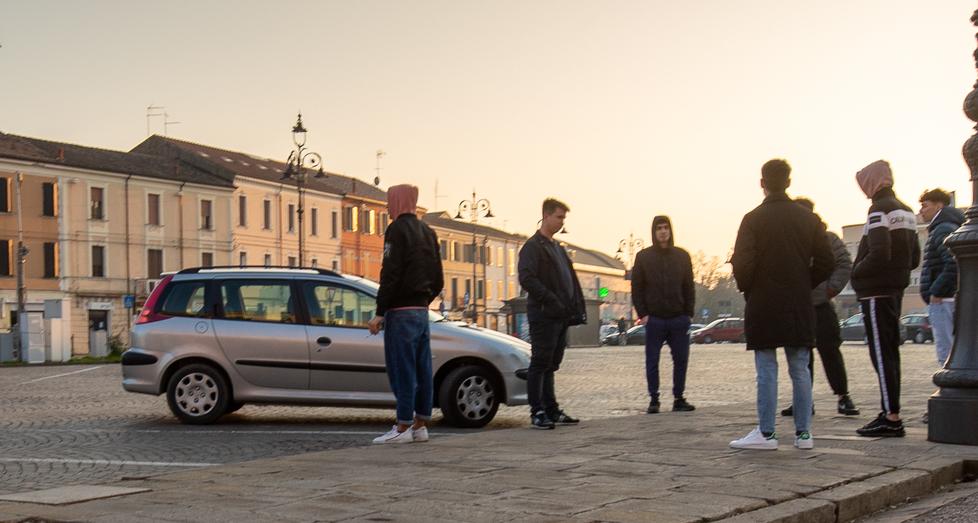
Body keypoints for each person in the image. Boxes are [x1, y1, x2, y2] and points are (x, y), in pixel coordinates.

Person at [729, 159, 834, 451]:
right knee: (800, 367)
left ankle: (766, 433)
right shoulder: (808, 219)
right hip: (798, 302)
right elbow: (827, 261)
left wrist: (750, 288)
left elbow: (742, 262)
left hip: (763, 301)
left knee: (767, 366)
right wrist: (805, 281)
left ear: (762, 183)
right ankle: (803, 434)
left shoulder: (752, 219)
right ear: (789, 182)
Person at [368, 184, 444, 444]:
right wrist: (423, 299)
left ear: (398, 202)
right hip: (422, 311)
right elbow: (438, 278)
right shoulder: (428, 231)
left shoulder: (396, 230)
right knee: (423, 369)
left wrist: (380, 312)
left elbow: (389, 273)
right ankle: (420, 425)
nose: (388, 207)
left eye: (390, 202)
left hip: (400, 312)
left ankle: (402, 427)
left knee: (402, 369)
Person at [851, 160, 920, 438]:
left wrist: (856, 273)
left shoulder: (878, 209)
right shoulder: (906, 210)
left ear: (872, 183)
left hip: (876, 290)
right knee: (891, 353)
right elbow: (914, 257)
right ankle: (889, 411)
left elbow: (879, 252)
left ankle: (891, 416)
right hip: (895, 288)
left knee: (880, 352)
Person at [780, 198, 860, 418]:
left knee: (830, 351)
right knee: (801, 355)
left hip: (821, 304)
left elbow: (844, 265)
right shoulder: (788, 240)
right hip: (796, 306)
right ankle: (804, 400)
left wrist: (830, 289)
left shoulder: (829, 239)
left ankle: (843, 396)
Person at [518, 198, 587, 430]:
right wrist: (550, 298)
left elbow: (569, 280)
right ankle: (536, 411)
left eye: (563, 218)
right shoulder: (532, 247)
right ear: (546, 216)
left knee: (552, 364)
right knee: (540, 363)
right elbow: (527, 278)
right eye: (559, 217)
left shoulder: (557, 247)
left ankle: (552, 409)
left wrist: (572, 306)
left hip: (561, 315)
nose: (561, 222)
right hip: (544, 314)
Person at [631, 215, 696, 414]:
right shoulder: (643, 257)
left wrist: (688, 314)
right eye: (659, 228)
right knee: (652, 360)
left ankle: (679, 398)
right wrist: (644, 314)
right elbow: (637, 288)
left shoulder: (682, 256)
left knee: (681, 359)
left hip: (678, 318)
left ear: (670, 230)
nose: (662, 231)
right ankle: (654, 399)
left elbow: (689, 287)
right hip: (655, 318)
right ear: (654, 231)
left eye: (666, 227)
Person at [918, 188, 965, 369]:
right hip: (945, 297)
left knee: (946, 350)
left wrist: (936, 292)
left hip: (943, 299)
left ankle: (949, 385)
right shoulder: (945, 227)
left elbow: (952, 263)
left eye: (925, 206)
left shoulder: (943, 229)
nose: (921, 210)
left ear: (939, 205)